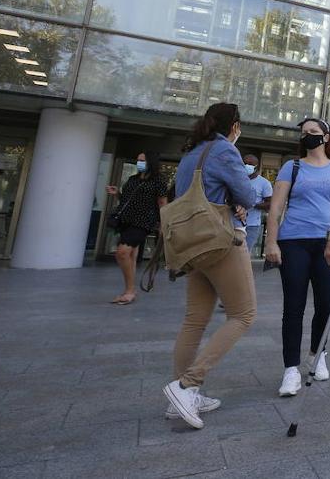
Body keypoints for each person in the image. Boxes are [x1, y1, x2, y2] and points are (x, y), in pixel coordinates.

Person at [163, 103, 257, 430]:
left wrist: (230, 200)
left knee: (194, 320)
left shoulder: (192, 153)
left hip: (192, 244)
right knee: (243, 315)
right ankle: (187, 385)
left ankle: (181, 396)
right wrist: (237, 200)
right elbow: (248, 195)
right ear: (234, 126)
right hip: (220, 243)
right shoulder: (224, 151)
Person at [264, 118, 330, 397]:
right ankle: (291, 369)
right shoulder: (292, 166)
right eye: (304, 133)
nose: (307, 136)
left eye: (313, 132)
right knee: (294, 306)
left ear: (326, 137)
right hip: (293, 242)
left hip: (329, 243)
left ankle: (317, 353)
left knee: (326, 304)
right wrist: (271, 242)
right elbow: (276, 208)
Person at [106, 152, 167, 306]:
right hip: (126, 220)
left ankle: (130, 291)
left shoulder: (158, 180)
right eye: (138, 160)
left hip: (143, 222)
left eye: (142, 160)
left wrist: (163, 224)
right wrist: (117, 194)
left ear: (150, 162)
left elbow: (162, 203)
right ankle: (129, 290)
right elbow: (128, 200)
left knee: (122, 252)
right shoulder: (133, 179)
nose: (139, 162)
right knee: (131, 255)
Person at [242, 155, 272, 257]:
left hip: (252, 224)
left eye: (250, 164)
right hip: (234, 222)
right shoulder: (238, 179)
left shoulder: (264, 183)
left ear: (256, 167)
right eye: (245, 163)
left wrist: (253, 204)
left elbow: (269, 204)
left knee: (244, 253)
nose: (247, 166)